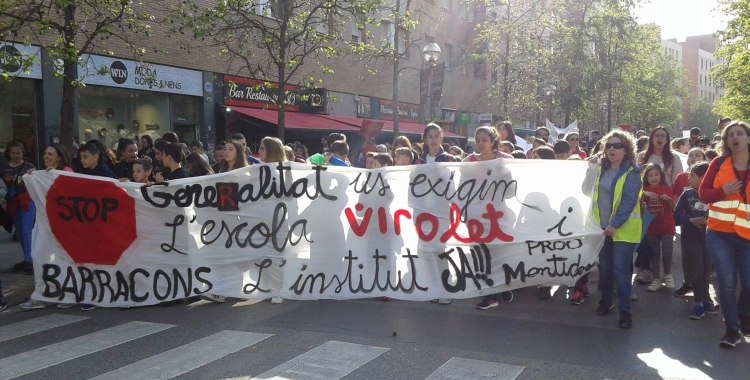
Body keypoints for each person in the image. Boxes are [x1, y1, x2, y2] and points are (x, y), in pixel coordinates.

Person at [583, 130, 642, 329]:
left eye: (617, 146)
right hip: (602, 230)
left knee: (620, 272)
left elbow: (628, 202)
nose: (612, 149)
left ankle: (625, 312)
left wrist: (614, 225)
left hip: (623, 231)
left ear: (626, 150)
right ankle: (606, 301)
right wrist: (591, 169)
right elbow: (586, 190)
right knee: (605, 270)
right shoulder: (600, 169)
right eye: (609, 145)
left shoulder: (632, 172)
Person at [699, 121, 750, 348]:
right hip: (719, 234)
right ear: (726, 140)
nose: (735, 137)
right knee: (727, 283)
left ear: (748, 138)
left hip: (748, 236)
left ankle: (743, 316)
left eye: (740, 133)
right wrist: (723, 191)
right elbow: (703, 194)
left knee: (748, 283)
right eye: (730, 135)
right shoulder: (719, 163)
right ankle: (731, 330)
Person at [461, 126, 514, 309]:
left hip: (497, 215)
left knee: (499, 253)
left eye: (484, 140)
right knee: (480, 255)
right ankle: (489, 295)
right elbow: (462, 191)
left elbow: (511, 193)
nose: (481, 144)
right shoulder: (468, 162)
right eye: (478, 140)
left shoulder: (506, 161)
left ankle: (504, 285)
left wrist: (505, 173)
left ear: (493, 141)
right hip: (475, 217)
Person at [674, 162, 717, 319]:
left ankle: (706, 300)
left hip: (710, 239)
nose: (688, 178)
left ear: (703, 177)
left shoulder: (714, 195)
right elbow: (676, 216)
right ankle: (699, 303)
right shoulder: (687, 195)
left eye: (692, 175)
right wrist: (691, 219)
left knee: (706, 269)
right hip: (690, 238)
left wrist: (709, 221)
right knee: (697, 270)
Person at [640, 163, 677, 292]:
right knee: (654, 253)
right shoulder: (644, 190)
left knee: (667, 251)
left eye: (656, 174)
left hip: (667, 226)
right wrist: (644, 194)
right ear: (646, 178)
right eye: (650, 176)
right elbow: (637, 203)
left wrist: (669, 200)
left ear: (661, 175)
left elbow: (674, 208)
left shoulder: (667, 188)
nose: (653, 177)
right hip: (651, 228)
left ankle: (667, 274)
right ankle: (656, 279)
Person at [2, 140, 35, 274]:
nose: (16, 155)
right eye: (13, 153)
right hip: (13, 202)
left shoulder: (29, 166)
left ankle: (30, 260)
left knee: (26, 230)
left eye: (19, 152)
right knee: (20, 232)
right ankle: (26, 258)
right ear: (9, 154)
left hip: (27, 201)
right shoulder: (4, 167)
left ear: (23, 152)